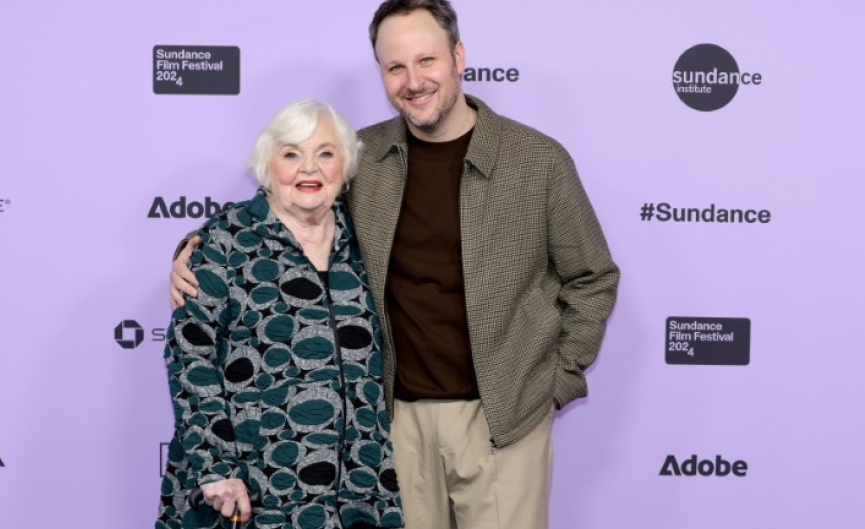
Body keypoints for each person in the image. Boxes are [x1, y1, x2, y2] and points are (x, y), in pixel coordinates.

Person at [171, 1, 619, 527]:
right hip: (391, 426)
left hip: (505, 419)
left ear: (458, 57)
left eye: (427, 60)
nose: (413, 81)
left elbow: (593, 277)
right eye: (395, 67)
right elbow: (289, 211)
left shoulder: (536, 160)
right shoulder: (361, 155)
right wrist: (194, 248)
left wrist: (555, 385)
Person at [157, 99, 404, 529]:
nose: (309, 168)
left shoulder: (367, 240)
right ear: (267, 165)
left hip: (359, 490)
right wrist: (216, 468)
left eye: (325, 153)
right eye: (291, 154)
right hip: (254, 489)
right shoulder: (226, 241)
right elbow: (190, 354)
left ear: (345, 166)